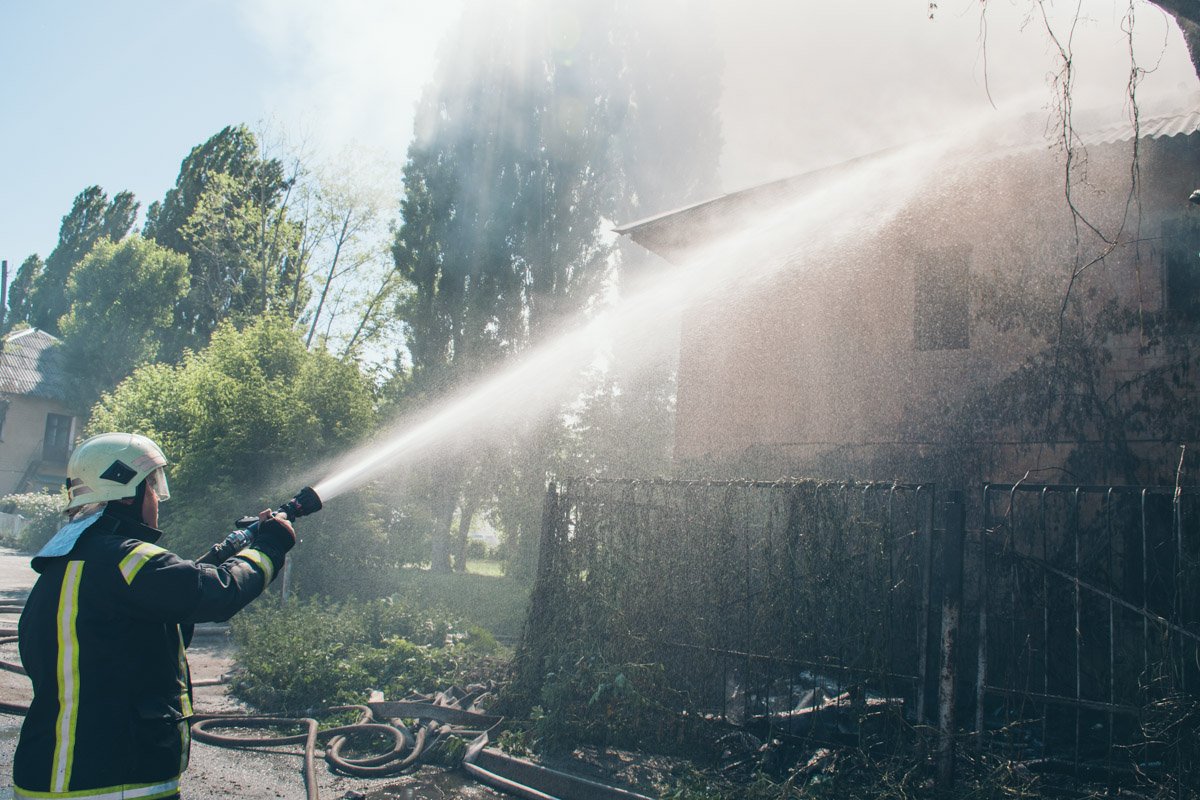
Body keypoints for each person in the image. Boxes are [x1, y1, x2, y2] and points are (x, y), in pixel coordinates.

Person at [11, 432, 296, 800]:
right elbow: (218, 593)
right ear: (127, 493)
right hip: (110, 781)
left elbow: (158, 615)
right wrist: (269, 547)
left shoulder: (66, 563)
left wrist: (228, 550)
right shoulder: (128, 560)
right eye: (151, 485)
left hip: (47, 778)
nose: (157, 499)